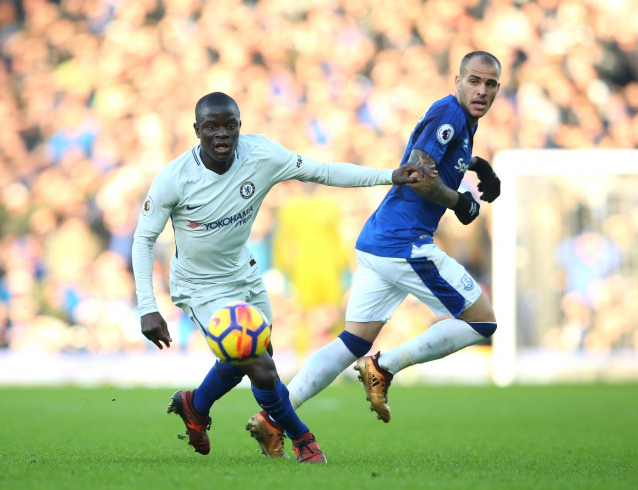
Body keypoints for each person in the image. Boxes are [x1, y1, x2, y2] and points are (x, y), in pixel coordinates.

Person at [131, 92, 434, 464]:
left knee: (252, 357)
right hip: (200, 286)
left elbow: (322, 171)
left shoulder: (261, 156)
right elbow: (144, 238)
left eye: (230, 125)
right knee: (258, 363)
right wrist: (148, 307)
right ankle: (302, 437)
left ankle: (196, 404)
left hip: (244, 275)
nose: (222, 134)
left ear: (240, 126)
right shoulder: (174, 178)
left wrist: (389, 176)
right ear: (197, 130)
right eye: (211, 127)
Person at [247, 51, 502, 456]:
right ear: (457, 80)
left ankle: (273, 416)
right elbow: (418, 174)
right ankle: (385, 366)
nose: (482, 90)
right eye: (474, 81)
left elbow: (438, 156)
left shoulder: (459, 121)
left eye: (490, 85)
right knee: (483, 322)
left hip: (379, 241)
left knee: (351, 341)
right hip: (405, 243)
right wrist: (460, 201)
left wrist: (475, 164)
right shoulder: (450, 113)